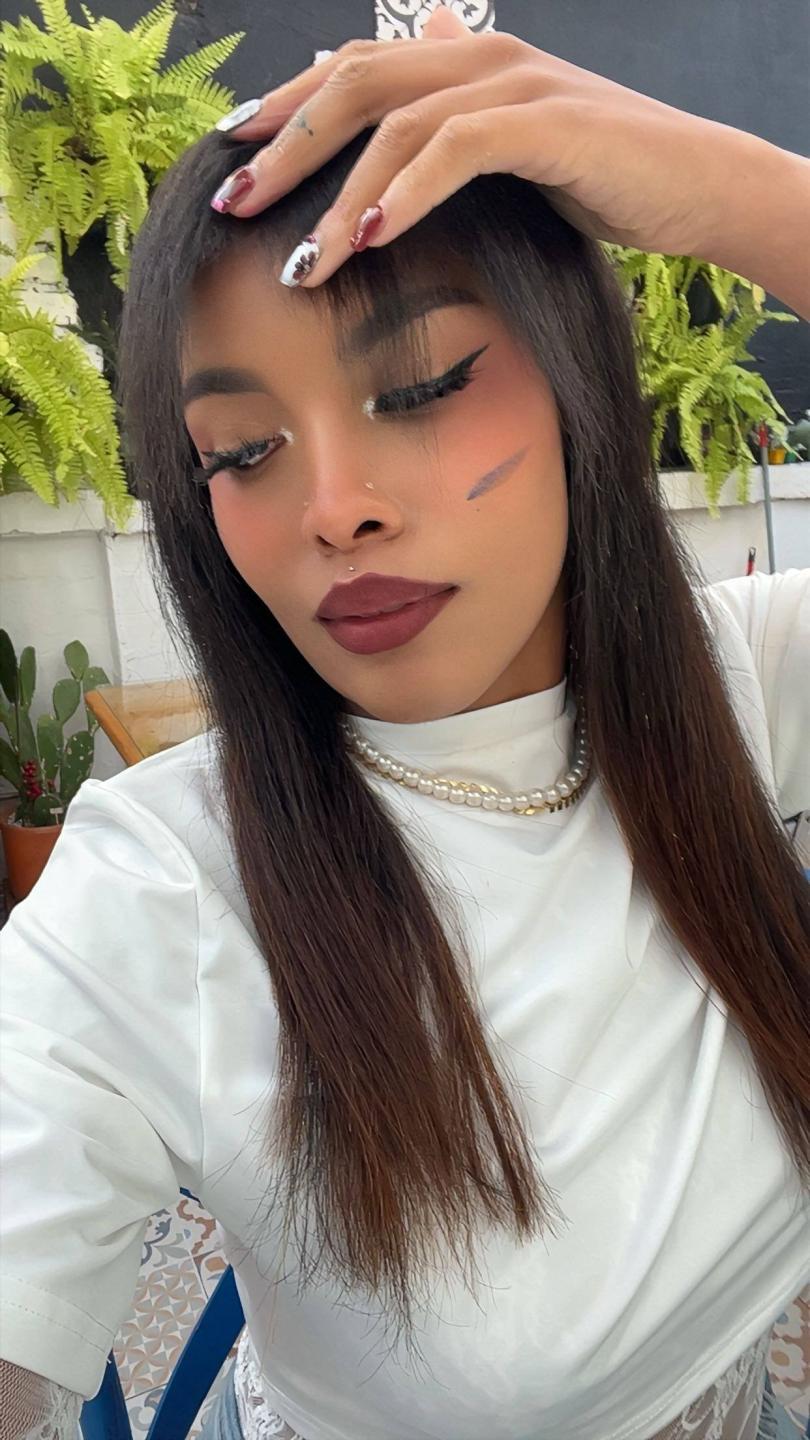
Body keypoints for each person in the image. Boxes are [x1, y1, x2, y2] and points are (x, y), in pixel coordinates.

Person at [1, 6, 808, 1438]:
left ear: (577, 383)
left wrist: (736, 192)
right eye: (241, 451)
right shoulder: (158, 888)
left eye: (421, 384)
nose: (333, 509)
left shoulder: (742, 682)